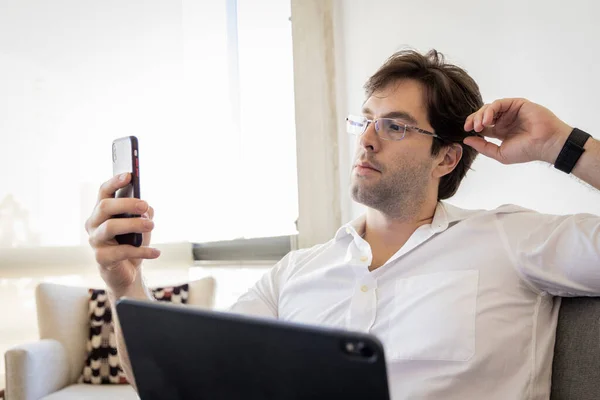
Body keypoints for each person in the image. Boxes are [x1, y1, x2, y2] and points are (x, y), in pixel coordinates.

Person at [85, 49, 600, 400]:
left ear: (446, 158)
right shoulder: (294, 274)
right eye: (366, 120)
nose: (367, 140)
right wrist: (124, 280)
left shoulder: (511, 240)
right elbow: (173, 378)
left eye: (394, 126)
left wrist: (562, 146)